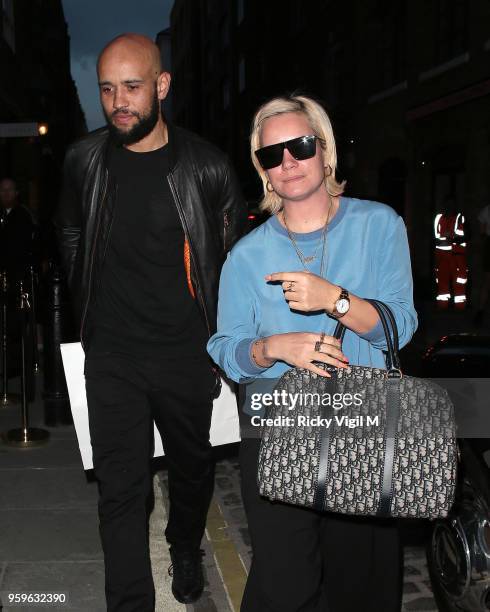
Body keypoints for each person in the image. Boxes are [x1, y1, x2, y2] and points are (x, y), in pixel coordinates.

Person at [55, 33, 247, 611]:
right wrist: (85, 292)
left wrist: (225, 343)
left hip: (185, 353)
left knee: (191, 472)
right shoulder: (83, 160)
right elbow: (68, 230)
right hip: (110, 353)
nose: (119, 102)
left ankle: (184, 543)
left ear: (161, 86)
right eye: (108, 88)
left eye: (132, 88)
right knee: (121, 490)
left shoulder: (207, 166)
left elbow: (232, 262)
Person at [208, 95, 418, 612]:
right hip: (280, 428)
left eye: (299, 146)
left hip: (362, 425)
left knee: (360, 583)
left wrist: (336, 300)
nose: (288, 162)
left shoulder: (379, 225)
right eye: (271, 154)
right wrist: (271, 347)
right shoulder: (246, 254)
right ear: (262, 170)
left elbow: (400, 327)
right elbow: (224, 347)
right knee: (285, 584)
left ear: (324, 152)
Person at [433, 198, 467, 310]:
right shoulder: (438, 218)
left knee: (459, 282)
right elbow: (435, 237)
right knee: (442, 282)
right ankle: (442, 307)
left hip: (456, 256)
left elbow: (466, 236)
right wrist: (450, 238)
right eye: (447, 204)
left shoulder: (460, 218)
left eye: (451, 204)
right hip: (442, 256)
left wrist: (452, 239)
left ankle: (460, 308)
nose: (449, 207)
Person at [0, 177, 35, 282]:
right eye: (2, 190)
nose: (6, 193)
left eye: (9, 190)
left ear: (16, 193)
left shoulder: (23, 215)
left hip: (18, 274)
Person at [474, 203, 490, 326]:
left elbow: (481, 226)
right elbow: (481, 225)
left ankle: (480, 312)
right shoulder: (487, 209)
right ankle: (480, 312)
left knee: (487, 280)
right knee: (487, 280)